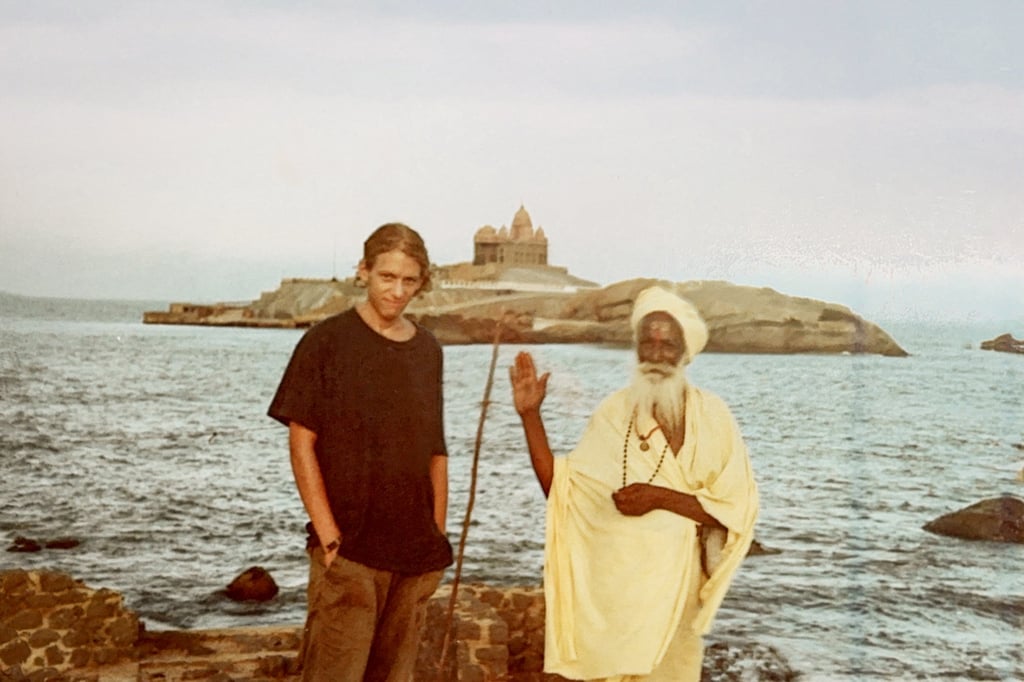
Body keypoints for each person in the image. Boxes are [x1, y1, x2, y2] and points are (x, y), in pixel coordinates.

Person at [509, 285, 759, 681]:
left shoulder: (714, 417)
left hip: (680, 589)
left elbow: (736, 509)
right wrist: (530, 417)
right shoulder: (614, 412)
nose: (657, 355)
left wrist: (660, 497)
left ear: (686, 351)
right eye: (648, 343)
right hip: (617, 590)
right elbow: (563, 493)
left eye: (668, 345)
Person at [268, 222, 453, 681]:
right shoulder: (326, 341)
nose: (397, 291)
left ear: (421, 283)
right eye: (386, 277)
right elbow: (301, 441)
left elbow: (436, 451)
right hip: (349, 553)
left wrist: (438, 535)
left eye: (409, 281)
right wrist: (330, 539)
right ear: (364, 271)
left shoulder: (428, 350)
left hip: (414, 555)